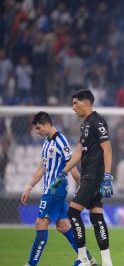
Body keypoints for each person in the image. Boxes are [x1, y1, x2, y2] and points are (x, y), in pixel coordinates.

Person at [21, 112, 96, 266]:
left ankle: (31, 264)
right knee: (63, 225)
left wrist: (84, 187)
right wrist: (29, 186)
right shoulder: (47, 142)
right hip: (51, 189)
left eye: (38, 128)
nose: (37, 131)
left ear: (47, 124)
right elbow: (42, 167)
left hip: (55, 189)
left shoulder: (61, 142)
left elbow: (72, 166)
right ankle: (87, 258)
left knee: (40, 223)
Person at [61, 89, 114, 266]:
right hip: (87, 176)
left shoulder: (98, 121)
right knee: (96, 216)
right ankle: (107, 262)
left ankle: (83, 258)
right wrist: (63, 172)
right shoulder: (85, 124)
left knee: (73, 212)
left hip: (94, 176)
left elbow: (107, 149)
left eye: (75, 103)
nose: (73, 107)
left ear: (86, 103)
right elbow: (78, 152)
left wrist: (107, 176)